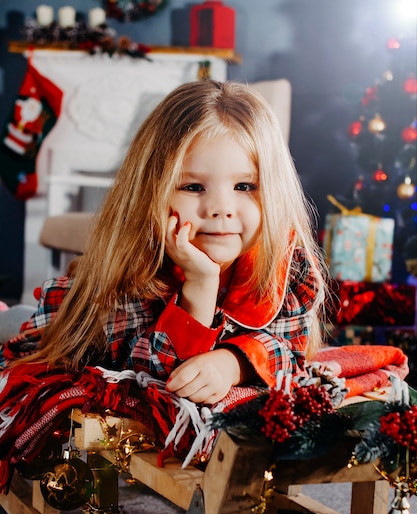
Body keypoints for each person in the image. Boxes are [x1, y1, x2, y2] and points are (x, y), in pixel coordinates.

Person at [0, 80, 328, 487]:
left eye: (245, 186)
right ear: (151, 190)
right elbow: (151, 382)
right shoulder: (135, 263)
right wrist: (200, 283)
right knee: (16, 329)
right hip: (64, 328)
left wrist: (235, 362)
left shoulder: (287, 265)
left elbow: (294, 351)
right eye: (193, 187)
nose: (221, 209)